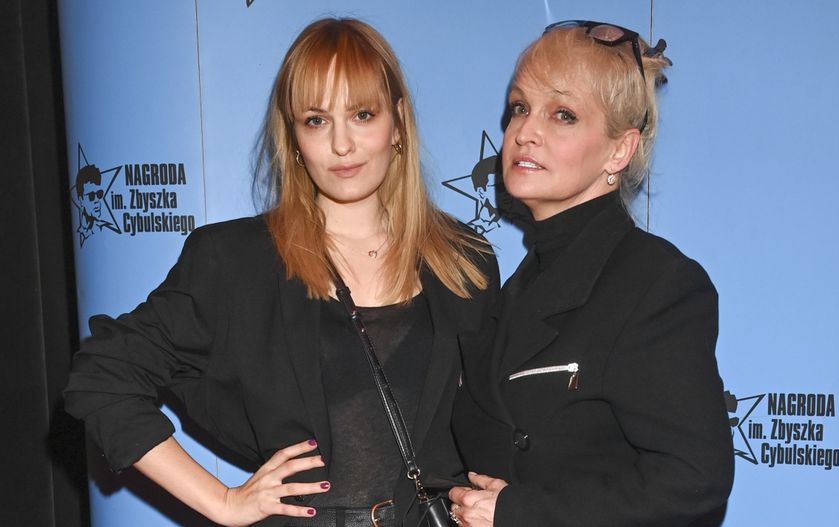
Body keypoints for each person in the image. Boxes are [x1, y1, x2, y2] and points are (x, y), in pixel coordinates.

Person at [65, 18, 498, 527]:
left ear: (397, 123)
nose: (342, 144)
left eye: (362, 114)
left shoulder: (463, 259)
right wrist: (223, 502)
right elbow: (102, 377)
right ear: (293, 135)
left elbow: (502, 421)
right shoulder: (237, 261)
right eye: (316, 120)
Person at [449, 21, 733, 527]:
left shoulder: (656, 284)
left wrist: (521, 513)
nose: (525, 132)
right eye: (520, 107)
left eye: (563, 114)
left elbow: (693, 481)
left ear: (619, 150)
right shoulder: (510, 289)